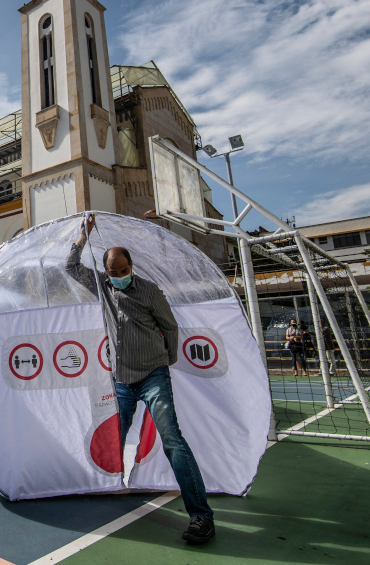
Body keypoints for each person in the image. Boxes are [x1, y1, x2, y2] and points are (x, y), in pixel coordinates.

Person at [66, 214, 215, 545]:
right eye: (112, 272)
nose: (118, 277)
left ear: (131, 266)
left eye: (123, 271)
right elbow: (71, 269)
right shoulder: (104, 288)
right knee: (114, 437)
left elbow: (171, 326)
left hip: (152, 376)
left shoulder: (150, 292)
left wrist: (168, 358)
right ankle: (106, 484)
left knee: (172, 440)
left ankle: (201, 516)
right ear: (106, 272)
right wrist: (82, 239)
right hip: (121, 381)